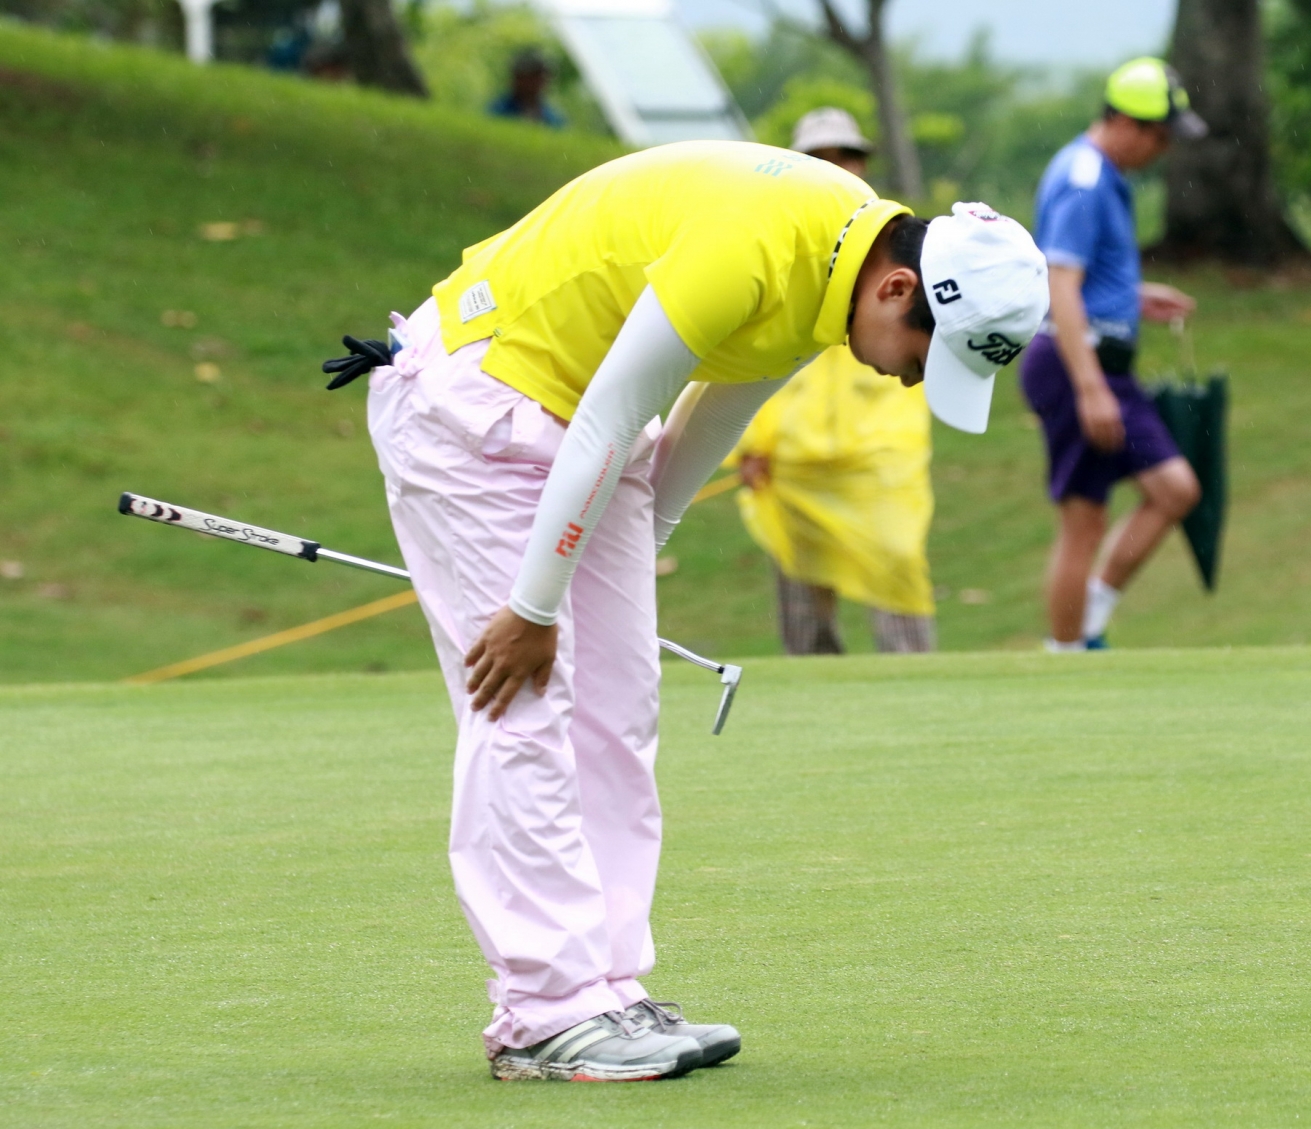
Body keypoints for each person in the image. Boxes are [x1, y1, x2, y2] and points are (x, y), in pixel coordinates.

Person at [329, 141, 1047, 1081]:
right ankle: (545, 1012)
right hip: (479, 407)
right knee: (526, 702)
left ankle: (609, 989)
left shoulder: (837, 261)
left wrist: (628, 559)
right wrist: (537, 604)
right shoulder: (754, 244)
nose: (914, 379)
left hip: (587, 428)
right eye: (926, 354)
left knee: (621, 702)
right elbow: (612, 413)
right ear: (897, 288)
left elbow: (717, 406)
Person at [733, 108, 937, 654]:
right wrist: (748, 445)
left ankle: (921, 702)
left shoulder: (902, 247)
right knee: (804, 614)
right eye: (818, 158)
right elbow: (751, 356)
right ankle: (816, 712)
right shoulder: (778, 244)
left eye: (845, 155)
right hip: (794, 462)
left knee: (896, 578)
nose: (834, 167)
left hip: (878, 459)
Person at [1020, 57, 1207, 652]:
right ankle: (1067, 651)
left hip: (1104, 363)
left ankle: (1089, 619)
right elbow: (1060, 283)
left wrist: (1133, 297)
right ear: (1125, 121)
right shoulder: (1083, 178)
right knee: (1084, 520)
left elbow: (1086, 279)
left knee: (1174, 489)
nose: (1161, 148)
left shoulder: (1103, 174)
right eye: (1157, 134)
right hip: (1079, 365)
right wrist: (1090, 387)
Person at [489, 48, 566, 127]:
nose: (539, 81)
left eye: (540, 76)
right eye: (532, 76)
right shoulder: (498, 109)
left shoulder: (554, 119)